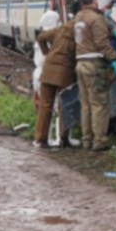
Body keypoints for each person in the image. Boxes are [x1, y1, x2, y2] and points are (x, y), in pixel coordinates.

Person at [73, 0, 116, 152]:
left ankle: (87, 140)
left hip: (80, 63)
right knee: (99, 104)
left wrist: (110, 33)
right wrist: (114, 59)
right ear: (93, 2)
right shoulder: (96, 18)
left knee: (85, 105)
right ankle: (99, 141)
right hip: (94, 64)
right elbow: (101, 43)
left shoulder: (78, 17)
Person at [36, 10, 77, 149]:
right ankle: (63, 138)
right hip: (65, 73)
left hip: (48, 71)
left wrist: (46, 53)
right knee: (65, 105)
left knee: (45, 106)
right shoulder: (77, 36)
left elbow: (41, 37)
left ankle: (41, 140)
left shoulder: (58, 31)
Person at [31, 11, 62, 147]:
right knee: (57, 107)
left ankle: (44, 139)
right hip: (49, 75)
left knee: (45, 108)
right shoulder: (54, 36)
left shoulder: (41, 37)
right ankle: (57, 137)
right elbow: (46, 59)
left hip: (39, 75)